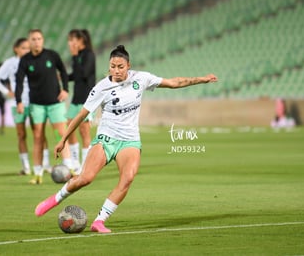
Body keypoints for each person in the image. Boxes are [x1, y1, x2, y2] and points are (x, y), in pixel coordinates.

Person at [34, 45, 218, 233]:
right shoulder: (101, 87)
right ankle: (55, 198)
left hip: (129, 140)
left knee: (128, 178)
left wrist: (201, 80)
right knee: (85, 178)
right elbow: (81, 114)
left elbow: (174, 82)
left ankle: (99, 221)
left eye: (120, 66)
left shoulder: (141, 78)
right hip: (106, 139)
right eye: (113, 66)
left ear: (128, 65)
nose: (116, 70)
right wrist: (63, 139)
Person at [15, 29, 76, 184]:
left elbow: (63, 71)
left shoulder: (52, 55)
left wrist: (65, 89)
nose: (36, 41)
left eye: (39, 38)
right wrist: (19, 101)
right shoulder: (25, 60)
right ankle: (38, 174)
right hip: (37, 105)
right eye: (33, 39)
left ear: (43, 40)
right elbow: (19, 81)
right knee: (38, 138)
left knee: (60, 135)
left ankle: (69, 169)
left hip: (55, 103)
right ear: (29, 41)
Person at [0, 38, 52, 175]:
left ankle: (46, 164)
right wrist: (7, 92)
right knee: (21, 134)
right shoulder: (10, 63)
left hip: (34, 101)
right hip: (17, 103)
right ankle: (26, 167)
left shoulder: (33, 60)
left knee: (39, 133)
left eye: (27, 47)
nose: (26, 50)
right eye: (23, 48)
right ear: (16, 49)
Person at [66, 29, 96, 169]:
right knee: (69, 129)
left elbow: (84, 74)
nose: (70, 43)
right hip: (76, 98)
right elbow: (76, 75)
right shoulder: (78, 56)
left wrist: (74, 56)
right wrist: (63, 77)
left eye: (73, 40)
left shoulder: (89, 55)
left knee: (84, 131)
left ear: (80, 40)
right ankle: (74, 161)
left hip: (87, 98)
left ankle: (85, 165)